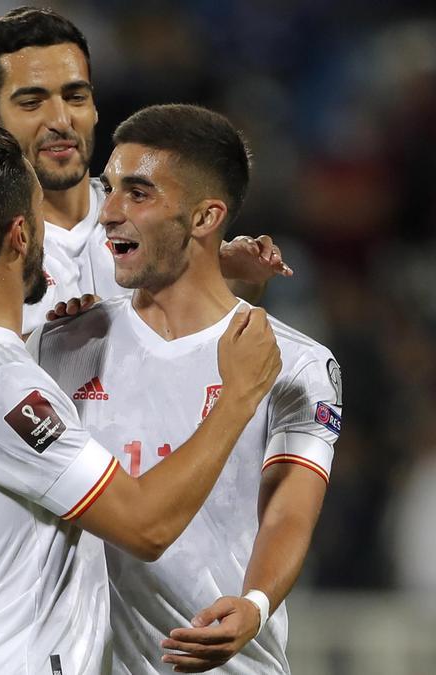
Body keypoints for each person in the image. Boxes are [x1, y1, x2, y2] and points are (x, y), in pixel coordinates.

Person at [0, 120, 280, 674]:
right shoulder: (3, 385)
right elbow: (145, 527)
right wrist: (239, 394)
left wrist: (207, 271)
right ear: (21, 235)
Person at [35, 104, 340, 673]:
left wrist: (255, 603)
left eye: (139, 193)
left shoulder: (298, 363)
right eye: (110, 189)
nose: (109, 213)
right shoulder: (65, 344)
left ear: (205, 218)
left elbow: (288, 513)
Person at [0, 7, 290, 331]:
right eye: (32, 103)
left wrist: (245, 279)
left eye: (75, 97)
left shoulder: (153, 213)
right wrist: (76, 344)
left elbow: (204, 333)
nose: (60, 120)